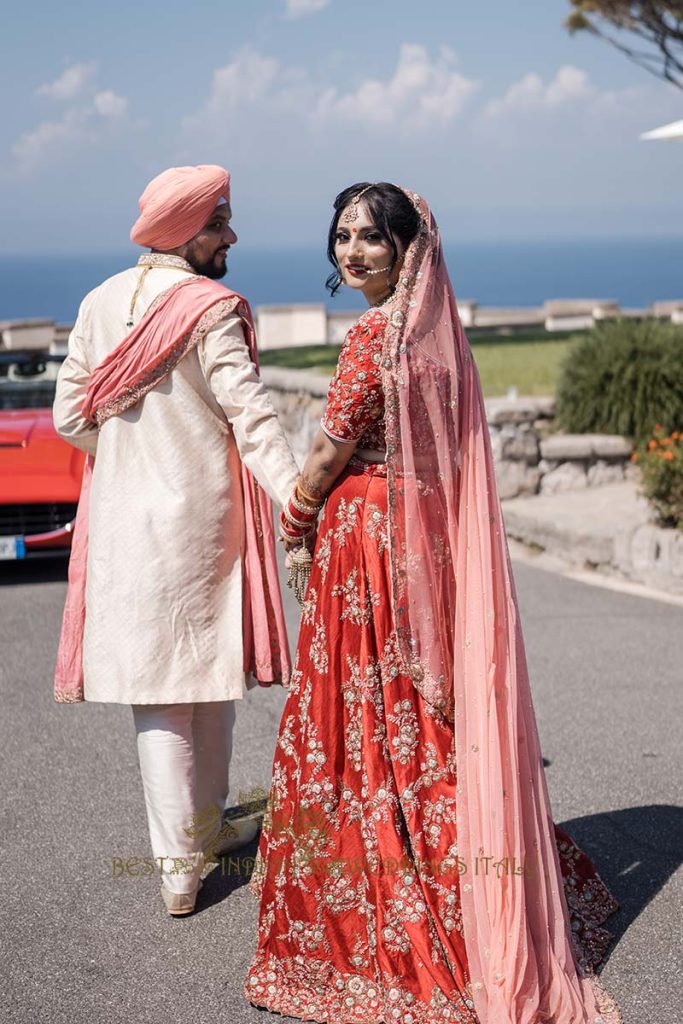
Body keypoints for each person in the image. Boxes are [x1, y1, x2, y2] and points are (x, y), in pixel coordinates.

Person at [245, 183, 622, 1023]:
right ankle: (476, 880)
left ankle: (403, 901)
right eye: (342, 236)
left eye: (372, 239)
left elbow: (327, 451)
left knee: (363, 725)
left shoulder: (373, 337)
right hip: (422, 544)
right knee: (420, 718)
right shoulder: (439, 335)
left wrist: (296, 518)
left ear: (406, 248)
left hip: (364, 544)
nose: (353, 253)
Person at [53, 164, 299, 917]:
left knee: (160, 697)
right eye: (220, 223)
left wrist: (128, 455)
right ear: (185, 232)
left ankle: (182, 864)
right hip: (201, 522)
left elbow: (70, 418)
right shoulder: (209, 307)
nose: (231, 236)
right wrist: (300, 501)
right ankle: (194, 849)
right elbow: (251, 416)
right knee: (203, 681)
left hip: (125, 526)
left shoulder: (99, 302)